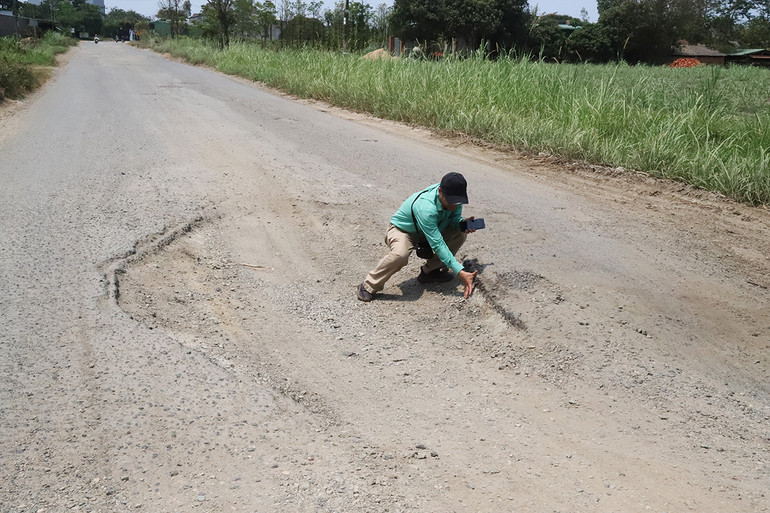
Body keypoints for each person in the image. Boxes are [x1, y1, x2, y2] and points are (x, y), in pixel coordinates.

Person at [357, 172, 479, 302]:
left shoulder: (453, 196)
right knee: (400, 255)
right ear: (440, 191)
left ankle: (430, 272)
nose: (454, 206)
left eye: (458, 202)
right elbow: (438, 244)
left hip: (430, 229)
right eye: (451, 202)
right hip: (403, 231)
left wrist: (461, 222)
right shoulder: (426, 207)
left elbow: (453, 218)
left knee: (460, 233)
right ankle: (368, 285)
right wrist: (460, 272)